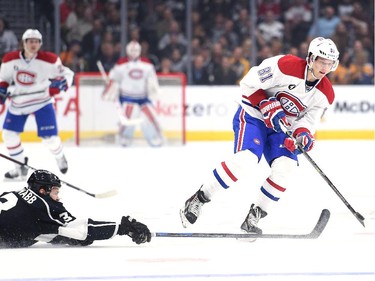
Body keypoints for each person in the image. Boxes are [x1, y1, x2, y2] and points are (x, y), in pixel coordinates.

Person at [180, 37, 339, 237]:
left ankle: (254, 216)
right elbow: (248, 83)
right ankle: (199, 198)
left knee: (286, 167)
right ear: (310, 58)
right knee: (245, 160)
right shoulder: (285, 65)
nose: (324, 67)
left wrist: (302, 136)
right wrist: (264, 103)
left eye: (329, 63)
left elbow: (308, 122)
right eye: (321, 61)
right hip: (254, 115)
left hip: (280, 127)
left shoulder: (325, 94)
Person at [0, 169, 151, 248]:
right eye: (55, 192)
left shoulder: (14, 194)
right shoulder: (45, 207)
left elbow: (49, 232)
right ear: (42, 190)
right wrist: (122, 228)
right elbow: (82, 230)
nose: (58, 198)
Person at [0, 29, 73, 181]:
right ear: (24, 43)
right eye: (30, 41)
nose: (33, 44)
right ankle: (19, 167)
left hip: (42, 101)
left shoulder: (50, 60)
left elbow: (67, 74)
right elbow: (4, 79)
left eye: (36, 41)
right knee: (8, 135)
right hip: (18, 103)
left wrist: (62, 84)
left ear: (40, 43)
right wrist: (2, 89)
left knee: (49, 138)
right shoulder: (9, 59)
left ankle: (59, 156)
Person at [102, 40, 164, 147]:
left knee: (152, 117)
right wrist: (109, 88)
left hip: (143, 97)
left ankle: (155, 137)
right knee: (127, 119)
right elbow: (113, 78)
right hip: (127, 97)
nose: (134, 52)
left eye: (136, 50)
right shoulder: (121, 63)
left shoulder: (146, 63)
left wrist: (154, 89)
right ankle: (124, 138)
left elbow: (152, 79)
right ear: (127, 51)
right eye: (132, 50)